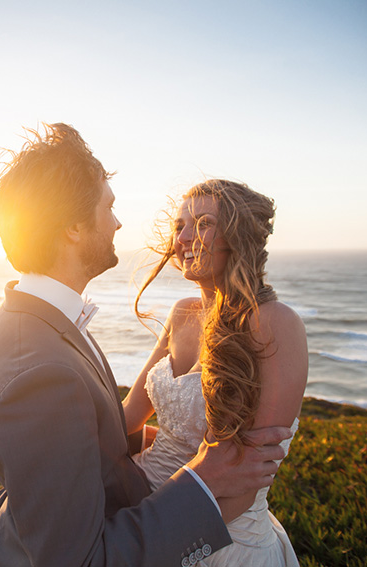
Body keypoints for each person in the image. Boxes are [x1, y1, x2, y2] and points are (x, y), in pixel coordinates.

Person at [0, 124, 293, 567]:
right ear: (74, 227)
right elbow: (78, 559)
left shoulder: (34, 321)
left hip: (214, 528)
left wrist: (158, 441)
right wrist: (199, 473)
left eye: (204, 223)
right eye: (109, 207)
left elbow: (108, 425)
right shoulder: (42, 370)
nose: (118, 222)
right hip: (168, 524)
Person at [123, 179, 308, 566]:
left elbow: (240, 483)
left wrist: (152, 542)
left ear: (237, 236)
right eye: (179, 226)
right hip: (141, 502)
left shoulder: (275, 324)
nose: (185, 237)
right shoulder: (182, 313)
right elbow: (127, 418)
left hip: (218, 536)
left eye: (203, 223)